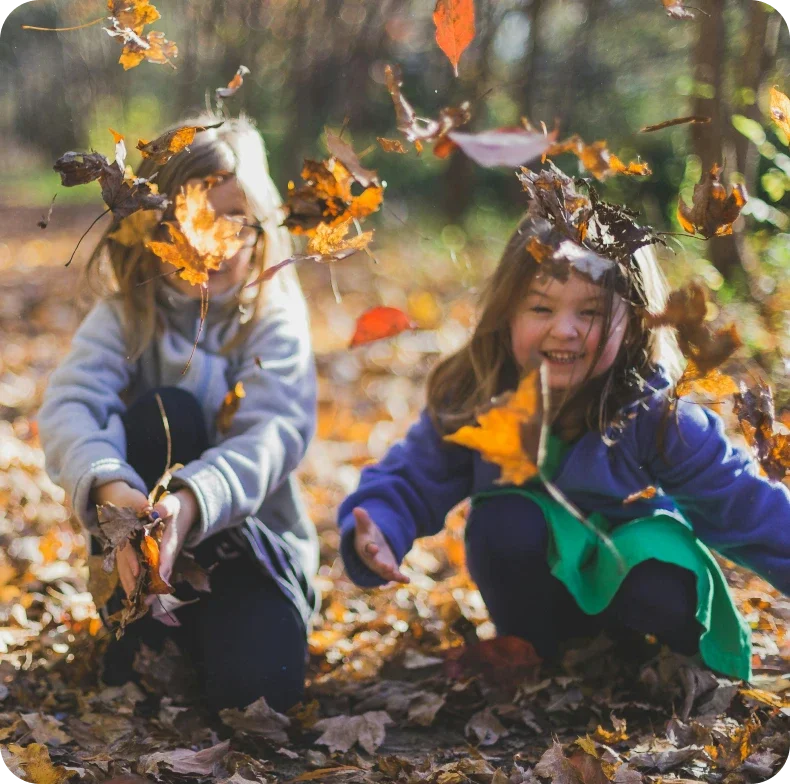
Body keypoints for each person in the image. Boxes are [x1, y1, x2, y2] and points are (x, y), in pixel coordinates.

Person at [337, 167, 790, 682]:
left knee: (656, 562)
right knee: (503, 520)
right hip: (538, 603)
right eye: (541, 307)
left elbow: (746, 507)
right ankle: (541, 658)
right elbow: (413, 477)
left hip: (640, 595)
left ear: (634, 322)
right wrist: (379, 527)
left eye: (591, 312)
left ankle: (647, 664)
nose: (565, 329)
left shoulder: (658, 416)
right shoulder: (481, 398)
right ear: (508, 314)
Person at [38, 114, 318, 711]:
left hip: (249, 554)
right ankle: (142, 629)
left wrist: (190, 503)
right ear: (148, 226)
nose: (210, 241)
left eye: (232, 218)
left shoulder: (272, 319)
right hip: (140, 555)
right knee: (167, 412)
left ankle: (229, 638)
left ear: (260, 226)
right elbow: (71, 404)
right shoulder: (126, 316)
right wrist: (112, 488)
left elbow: (273, 433)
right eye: (187, 217)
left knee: (260, 695)